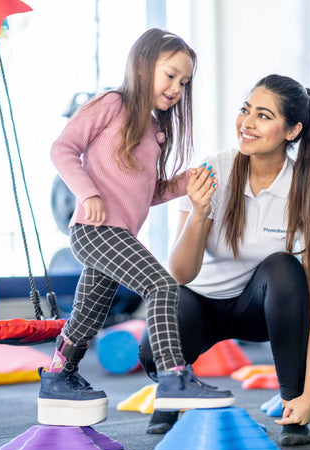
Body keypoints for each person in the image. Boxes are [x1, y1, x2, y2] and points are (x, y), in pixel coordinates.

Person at [38, 28, 234, 428]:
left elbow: (147, 192)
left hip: (119, 235)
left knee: (88, 315)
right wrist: (88, 193)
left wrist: (182, 182)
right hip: (95, 230)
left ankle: (58, 374)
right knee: (161, 285)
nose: (177, 87)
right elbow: (63, 148)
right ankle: (174, 377)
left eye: (184, 81)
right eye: (170, 75)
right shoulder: (112, 104)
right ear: (144, 66)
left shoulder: (154, 131)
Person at [138, 73, 310, 445]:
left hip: (259, 310)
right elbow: (181, 274)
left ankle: (292, 407)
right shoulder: (214, 170)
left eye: (263, 116)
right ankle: (171, 389)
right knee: (152, 349)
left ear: (292, 131)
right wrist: (199, 213)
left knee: (284, 269)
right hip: (199, 303)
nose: (247, 123)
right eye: (245, 110)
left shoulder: (305, 189)